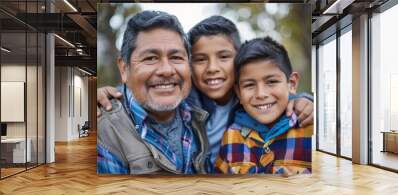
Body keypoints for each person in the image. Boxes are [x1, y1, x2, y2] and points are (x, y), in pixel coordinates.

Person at [98, 15, 314, 174]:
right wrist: (111, 92)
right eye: (200, 59)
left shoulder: (248, 98)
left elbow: (273, 91)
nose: (212, 68)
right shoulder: (185, 100)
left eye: (224, 57)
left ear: (240, 62)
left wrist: (303, 100)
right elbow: (146, 88)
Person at [97, 10, 209, 175]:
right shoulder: (105, 133)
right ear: (124, 68)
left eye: (176, 57)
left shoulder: (203, 113)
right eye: (150, 58)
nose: (166, 70)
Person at [215, 36, 312, 175]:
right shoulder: (230, 136)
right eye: (249, 85)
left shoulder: (310, 129)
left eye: (271, 82)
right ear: (238, 93)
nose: (261, 94)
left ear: (292, 84)